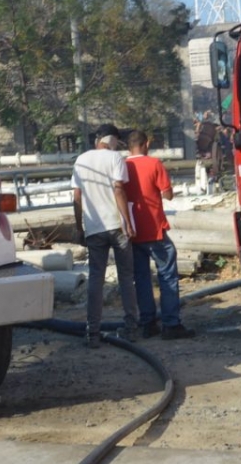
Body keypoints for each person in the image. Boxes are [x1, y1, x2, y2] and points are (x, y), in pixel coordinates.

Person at [72, 123, 140, 348]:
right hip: (117, 226)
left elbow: (77, 196)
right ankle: (131, 329)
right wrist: (127, 222)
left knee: (96, 279)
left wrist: (79, 227)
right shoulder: (115, 158)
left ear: (98, 140)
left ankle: (93, 332)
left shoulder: (81, 160)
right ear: (114, 141)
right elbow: (119, 189)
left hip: (94, 229)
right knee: (126, 278)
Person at [124, 131, 195, 341]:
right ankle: (171, 324)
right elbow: (168, 194)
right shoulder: (154, 164)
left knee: (142, 278)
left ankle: (148, 323)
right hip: (154, 228)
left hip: (132, 230)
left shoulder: (122, 166)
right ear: (146, 144)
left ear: (129, 147)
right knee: (167, 275)